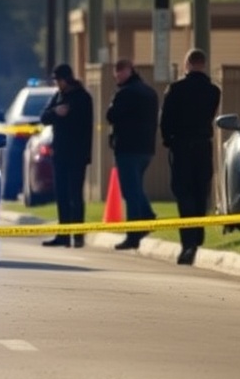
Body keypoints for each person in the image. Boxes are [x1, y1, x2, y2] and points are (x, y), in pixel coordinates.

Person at [160, 48, 221, 265]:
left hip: (182, 146)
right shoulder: (213, 91)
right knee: (200, 190)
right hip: (203, 146)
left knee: (184, 192)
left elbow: (165, 120)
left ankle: (188, 243)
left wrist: (168, 139)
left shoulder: (175, 89)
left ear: (187, 64)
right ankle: (198, 233)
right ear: (204, 64)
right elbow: (210, 115)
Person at [105, 59, 160, 250]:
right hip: (146, 148)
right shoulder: (150, 92)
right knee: (135, 188)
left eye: (120, 72)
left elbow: (111, 116)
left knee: (130, 191)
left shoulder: (125, 93)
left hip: (127, 148)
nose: (117, 76)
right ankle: (147, 217)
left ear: (129, 71)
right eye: (116, 72)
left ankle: (134, 234)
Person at [39, 63, 94, 248]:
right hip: (60, 153)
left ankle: (78, 235)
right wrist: (56, 112)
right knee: (61, 195)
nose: (57, 84)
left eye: (59, 80)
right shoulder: (58, 97)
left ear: (67, 79)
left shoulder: (82, 97)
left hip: (77, 154)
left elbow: (84, 125)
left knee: (75, 195)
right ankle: (63, 235)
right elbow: (44, 117)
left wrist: (67, 115)